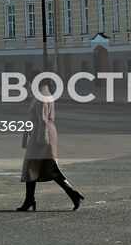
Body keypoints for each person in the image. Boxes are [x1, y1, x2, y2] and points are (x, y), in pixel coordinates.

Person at [17, 80, 84, 211]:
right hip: (44, 132)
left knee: (40, 167)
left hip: (41, 135)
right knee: (39, 167)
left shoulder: (41, 97)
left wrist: (42, 138)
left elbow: (42, 120)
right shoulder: (45, 94)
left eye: (29, 82)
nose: (28, 85)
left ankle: (71, 194)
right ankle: (30, 199)